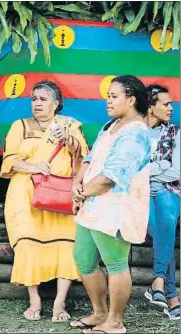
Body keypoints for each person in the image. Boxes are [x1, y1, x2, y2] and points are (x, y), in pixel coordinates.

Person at [0, 81, 89, 322]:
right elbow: (9, 161)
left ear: (56, 104)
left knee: (66, 245)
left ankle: (59, 302)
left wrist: (68, 139)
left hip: (60, 193)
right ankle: (34, 300)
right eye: (34, 99)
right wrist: (34, 167)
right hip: (26, 192)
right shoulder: (20, 126)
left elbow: (83, 156)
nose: (37, 103)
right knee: (28, 243)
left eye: (42, 99)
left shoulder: (69, 125)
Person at [70, 75, 151, 334]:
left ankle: (115, 322)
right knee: (83, 260)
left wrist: (81, 193)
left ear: (131, 99)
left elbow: (110, 178)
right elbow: (91, 157)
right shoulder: (111, 124)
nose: (108, 100)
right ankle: (100, 313)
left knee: (116, 264)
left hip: (116, 208)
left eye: (114, 96)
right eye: (108, 95)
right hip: (93, 204)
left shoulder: (136, 132)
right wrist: (77, 182)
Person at [143, 84, 180, 320]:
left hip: (169, 189)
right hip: (140, 192)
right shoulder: (133, 132)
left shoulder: (176, 132)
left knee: (166, 218)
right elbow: (129, 169)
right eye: (165, 103)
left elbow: (176, 171)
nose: (171, 107)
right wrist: (159, 167)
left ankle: (158, 280)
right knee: (158, 229)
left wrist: (146, 171)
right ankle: (171, 295)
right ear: (150, 106)